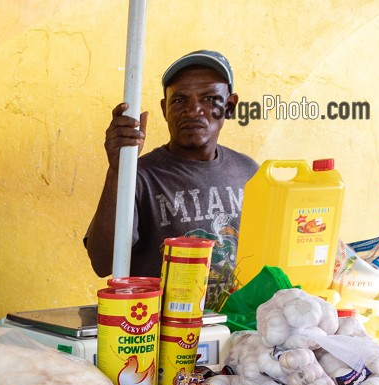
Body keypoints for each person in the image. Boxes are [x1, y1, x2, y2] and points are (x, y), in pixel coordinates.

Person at [85, 50, 259, 287]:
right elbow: (102, 263)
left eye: (209, 99)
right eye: (179, 100)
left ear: (229, 106)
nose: (192, 110)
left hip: (232, 322)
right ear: (165, 108)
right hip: (159, 322)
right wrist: (118, 170)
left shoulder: (247, 171)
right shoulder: (139, 175)